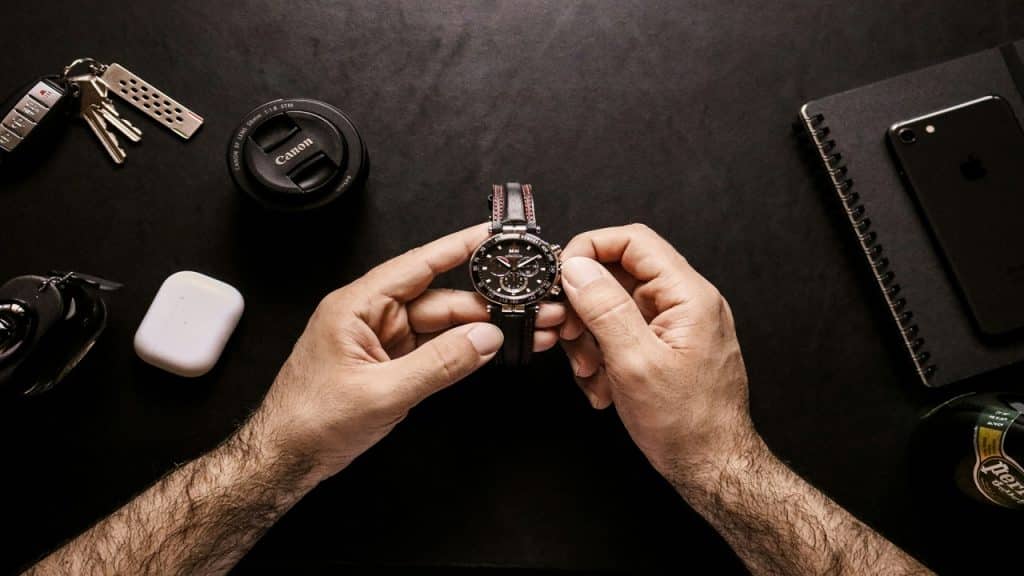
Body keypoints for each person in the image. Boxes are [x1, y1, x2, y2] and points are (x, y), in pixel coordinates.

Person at [24, 224, 933, 576]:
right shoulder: (528, 282)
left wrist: (277, 454)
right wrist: (721, 464)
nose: (518, 271)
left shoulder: (521, 276)